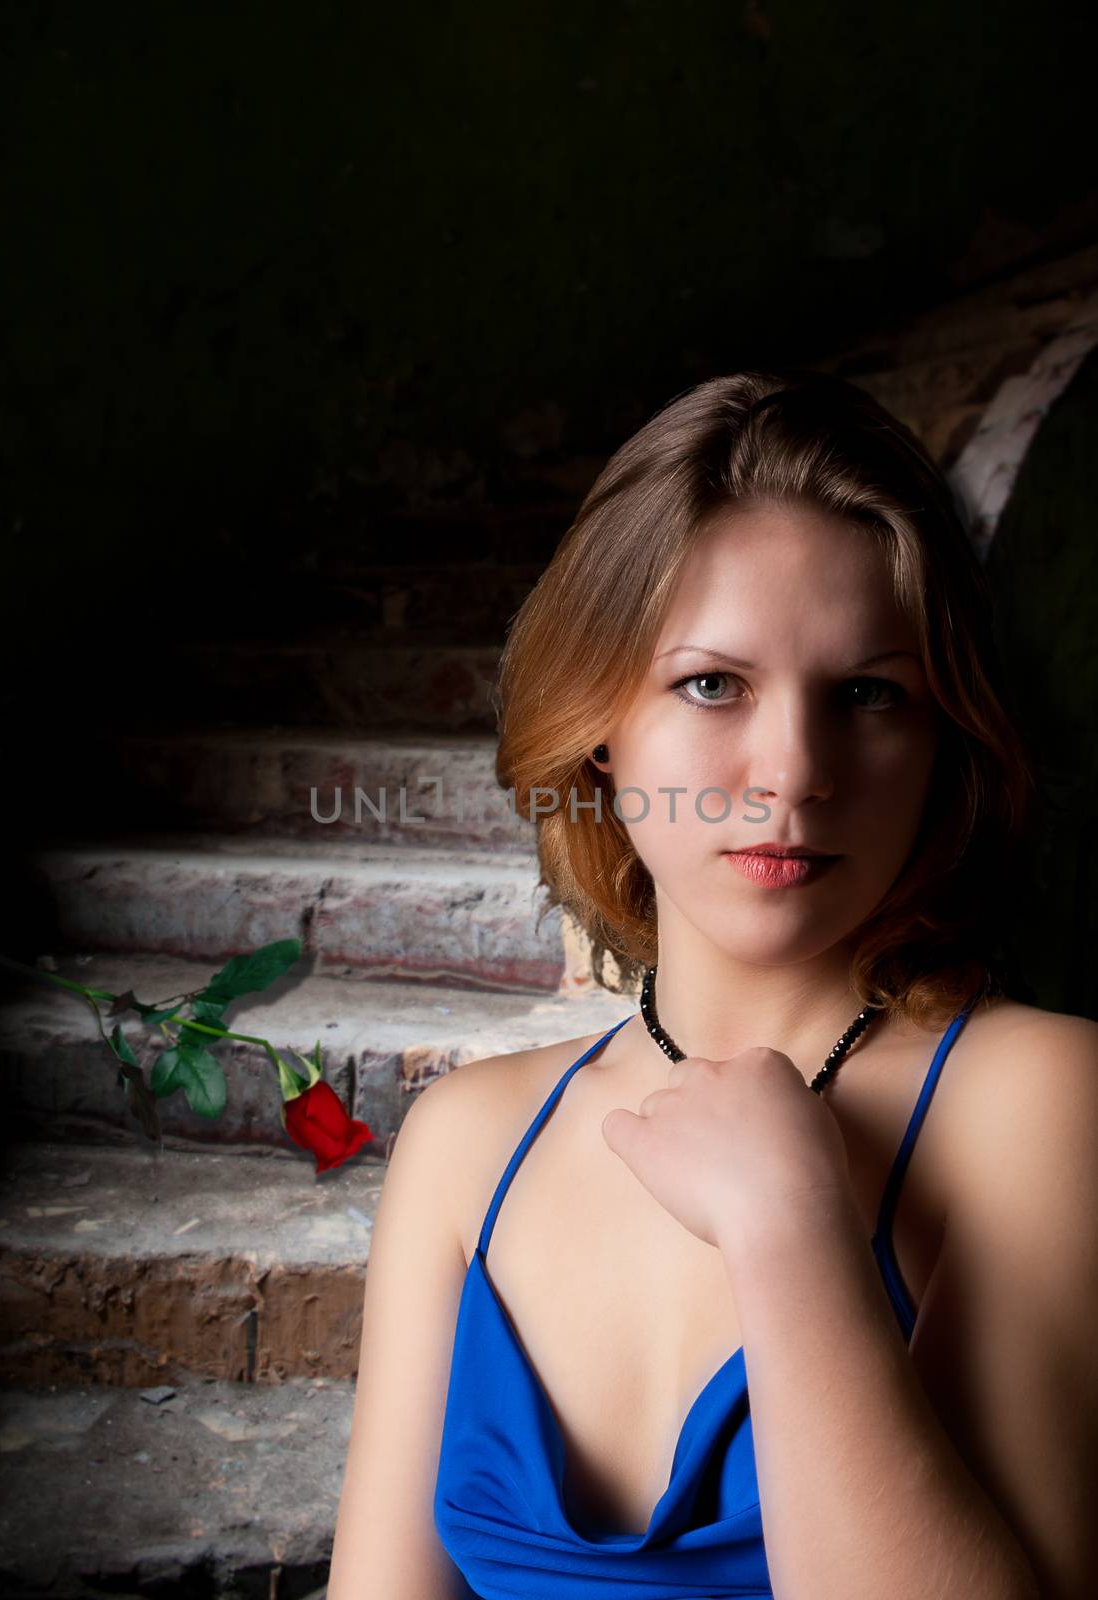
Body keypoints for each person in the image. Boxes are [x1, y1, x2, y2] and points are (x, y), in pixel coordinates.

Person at [327, 371, 1098, 1599]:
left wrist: (789, 1231)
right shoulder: (468, 1144)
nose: (791, 771)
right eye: (710, 683)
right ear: (598, 720)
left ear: (939, 740)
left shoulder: (1043, 1100)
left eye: (867, 695)